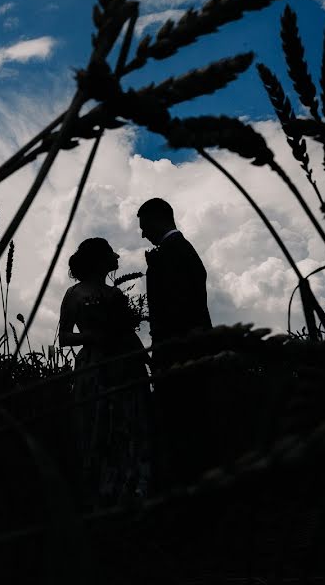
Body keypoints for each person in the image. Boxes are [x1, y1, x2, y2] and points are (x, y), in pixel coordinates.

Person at [58, 237, 151, 507]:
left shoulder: (116, 294)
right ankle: (97, 492)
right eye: (111, 253)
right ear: (99, 259)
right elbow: (64, 337)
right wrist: (91, 336)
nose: (117, 258)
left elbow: (128, 334)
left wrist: (145, 359)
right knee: (97, 428)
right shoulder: (74, 294)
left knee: (127, 428)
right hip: (95, 369)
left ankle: (129, 488)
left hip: (125, 367)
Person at [137, 197, 213, 490]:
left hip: (180, 354)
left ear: (157, 220)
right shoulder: (181, 251)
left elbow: (177, 308)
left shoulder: (172, 254)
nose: (143, 235)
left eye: (144, 227)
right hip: (187, 350)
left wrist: (163, 352)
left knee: (183, 422)